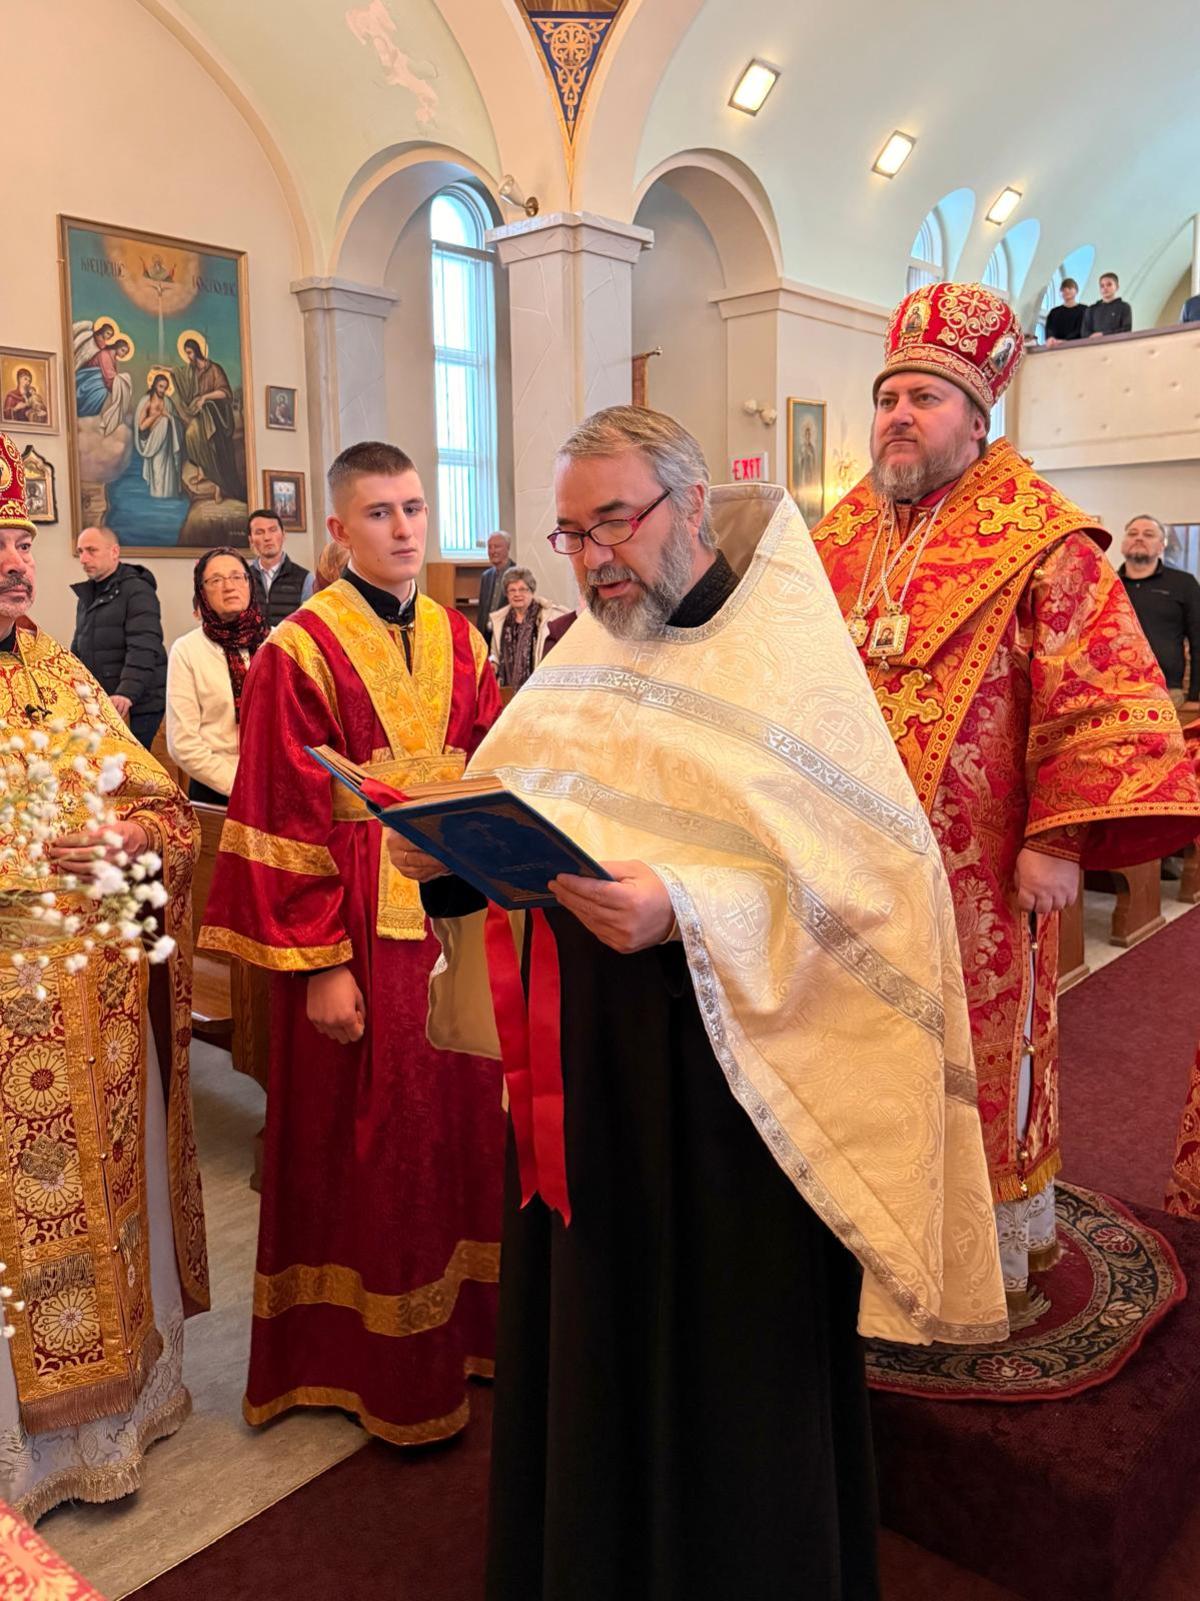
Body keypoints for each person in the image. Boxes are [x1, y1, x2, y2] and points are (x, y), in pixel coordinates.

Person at [393, 406, 1006, 1600]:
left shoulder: (785, 656)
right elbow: (525, 812)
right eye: (572, 535)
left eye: (614, 522)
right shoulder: (586, 653)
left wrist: (684, 904)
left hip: (739, 1111)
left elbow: (879, 888)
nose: (594, 558)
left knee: (729, 1378)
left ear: (687, 503)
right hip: (589, 1090)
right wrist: (447, 857)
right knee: (596, 1348)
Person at [811, 281, 1200, 1320]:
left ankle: (976, 1265)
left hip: (979, 876)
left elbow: (1099, 692)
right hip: (848, 868)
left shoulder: (1046, 543)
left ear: (977, 419)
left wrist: (1059, 836)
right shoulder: (838, 539)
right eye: (887, 396)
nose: (898, 414)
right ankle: (859, 1249)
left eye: (924, 397)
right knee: (854, 1053)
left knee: (977, 1063)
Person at [198, 440, 506, 1448]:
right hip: (354, 930)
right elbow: (278, 813)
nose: (404, 527)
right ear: (338, 528)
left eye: (414, 506)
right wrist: (322, 964)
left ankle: (472, 1334)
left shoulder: (464, 638)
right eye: (380, 512)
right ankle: (370, 1365)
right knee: (369, 1142)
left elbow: (495, 763)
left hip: (455, 914)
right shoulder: (298, 648)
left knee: (458, 1128)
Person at [0, 431, 208, 1523]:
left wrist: (134, 841)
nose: (13, 560)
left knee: (100, 1219)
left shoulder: (59, 670)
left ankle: (104, 1427)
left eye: (15, 539)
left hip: (95, 1016)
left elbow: (164, 804)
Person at [165, 547, 268, 804]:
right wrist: (242, 784)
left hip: (279, 786)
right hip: (219, 790)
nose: (229, 586)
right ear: (202, 593)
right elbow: (183, 744)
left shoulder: (278, 640)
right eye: (216, 580)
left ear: (250, 583)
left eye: (237, 577)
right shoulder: (187, 650)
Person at [70, 525, 168, 748]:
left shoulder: (137, 590)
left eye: (91, 550)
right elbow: (79, 646)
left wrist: (126, 693)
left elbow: (144, 646)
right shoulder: (88, 594)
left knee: (135, 766)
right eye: (80, 552)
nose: (83, 559)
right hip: (104, 703)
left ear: (114, 551)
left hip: (138, 706)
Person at [1118, 514, 1200, 713]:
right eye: (1132, 533)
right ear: (1123, 543)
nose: (1139, 538)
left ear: (1162, 546)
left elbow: (1198, 641)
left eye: (1148, 534)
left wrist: (1195, 696)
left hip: (1166, 693)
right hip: (1113, 691)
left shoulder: (1184, 583)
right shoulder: (1107, 584)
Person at [173, 337, 241, 503]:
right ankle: (203, 471)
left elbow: (225, 392)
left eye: (190, 353)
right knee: (191, 435)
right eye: (186, 354)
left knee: (212, 445)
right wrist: (165, 369)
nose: (188, 357)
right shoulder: (192, 371)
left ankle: (218, 488)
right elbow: (179, 373)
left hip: (217, 416)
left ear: (197, 351)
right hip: (202, 415)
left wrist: (205, 397)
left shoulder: (214, 369)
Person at [489, 565, 571, 689]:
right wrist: (493, 663)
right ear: (506, 594)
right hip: (507, 690)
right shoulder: (499, 620)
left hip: (539, 686)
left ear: (531, 591)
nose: (517, 594)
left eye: (522, 589)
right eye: (512, 590)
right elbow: (495, 653)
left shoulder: (548, 616)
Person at [246, 506, 314, 626]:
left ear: (283, 534)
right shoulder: (244, 578)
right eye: (259, 532)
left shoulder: (305, 579)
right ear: (251, 540)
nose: (267, 537)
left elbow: (309, 624)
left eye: (273, 530)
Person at [134, 371, 184, 499]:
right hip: (154, 441)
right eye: (161, 386)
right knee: (158, 471)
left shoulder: (168, 402)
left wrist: (170, 417)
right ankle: (158, 496)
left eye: (165, 388)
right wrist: (158, 415)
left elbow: (178, 422)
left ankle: (169, 495)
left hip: (168, 444)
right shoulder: (147, 401)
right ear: (155, 385)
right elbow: (141, 426)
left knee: (168, 470)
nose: (163, 390)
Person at [476, 530, 514, 646]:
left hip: (506, 636)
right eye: (490, 547)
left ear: (507, 548)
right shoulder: (486, 576)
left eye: (497, 547)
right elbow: (482, 611)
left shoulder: (516, 574)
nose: (492, 551)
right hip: (486, 636)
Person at [1081, 272, 1133, 337]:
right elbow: (1084, 333)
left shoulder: (1124, 307)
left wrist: (1103, 334)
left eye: (1109, 285)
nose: (1105, 288)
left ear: (1117, 287)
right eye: (1102, 286)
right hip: (1095, 343)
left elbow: (1126, 330)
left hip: (1118, 342)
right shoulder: (1091, 309)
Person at [1043, 277, 1086, 344]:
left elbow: (1081, 329)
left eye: (1070, 288)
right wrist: (1051, 338)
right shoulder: (1054, 312)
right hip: (1056, 346)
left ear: (1076, 291)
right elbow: (1049, 329)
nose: (1067, 291)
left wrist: (1066, 341)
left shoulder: (1084, 310)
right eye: (1063, 289)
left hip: (1077, 345)